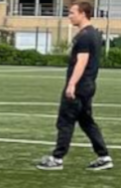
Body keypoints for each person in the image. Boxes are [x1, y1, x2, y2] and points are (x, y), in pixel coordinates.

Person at [37, 1, 111, 171]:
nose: (69, 16)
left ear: (83, 13)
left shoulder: (85, 36)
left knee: (65, 120)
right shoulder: (94, 34)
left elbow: (82, 62)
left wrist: (71, 84)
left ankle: (57, 158)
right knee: (86, 122)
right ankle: (104, 156)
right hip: (88, 85)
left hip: (79, 86)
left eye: (72, 13)